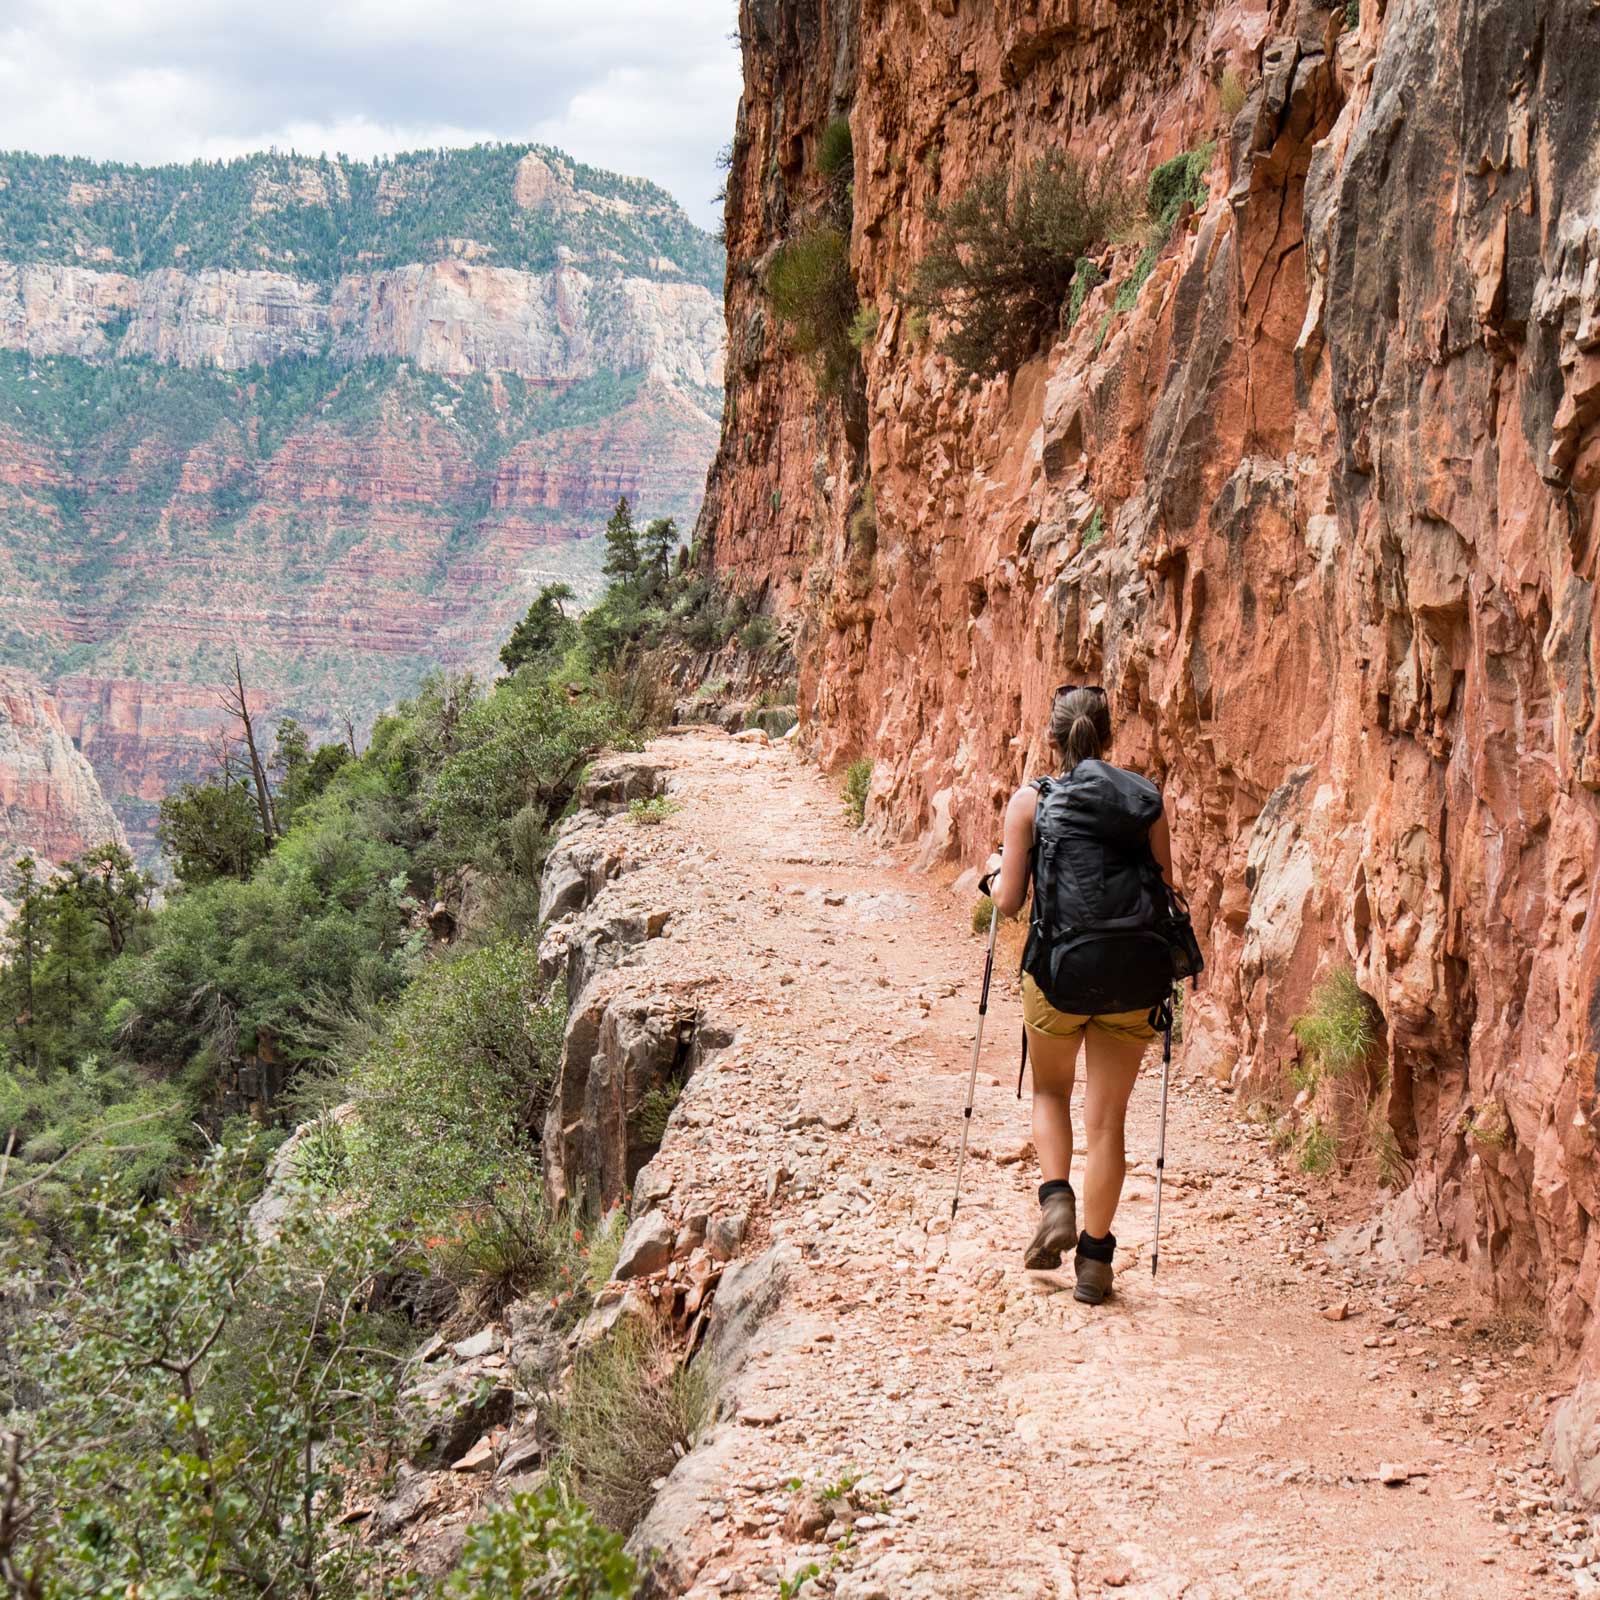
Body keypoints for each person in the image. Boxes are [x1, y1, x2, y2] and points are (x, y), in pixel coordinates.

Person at [986, 684, 1178, 1304]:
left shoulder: (1030, 802)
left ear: (1052, 739)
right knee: (1109, 1118)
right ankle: (1095, 1262)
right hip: (1132, 978)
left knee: (1050, 1088)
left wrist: (992, 877)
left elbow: (1010, 901)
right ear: (1109, 736)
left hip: (1058, 978)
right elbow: (1164, 892)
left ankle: (1057, 1200)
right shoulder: (1145, 801)